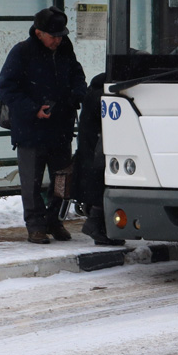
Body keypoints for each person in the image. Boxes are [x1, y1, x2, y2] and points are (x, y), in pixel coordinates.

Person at [0, 7, 86, 244]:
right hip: (31, 130)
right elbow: (7, 88)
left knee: (62, 180)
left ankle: (54, 220)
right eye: (53, 35)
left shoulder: (65, 49)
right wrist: (33, 109)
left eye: (61, 35)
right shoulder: (22, 52)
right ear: (38, 33)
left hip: (60, 128)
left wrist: (77, 94)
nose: (58, 40)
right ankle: (35, 226)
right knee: (32, 182)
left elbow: (78, 75)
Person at [74, 74, 113, 246]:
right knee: (102, 184)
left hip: (92, 150)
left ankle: (98, 227)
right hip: (97, 151)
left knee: (100, 185)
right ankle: (94, 225)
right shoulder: (101, 97)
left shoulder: (94, 93)